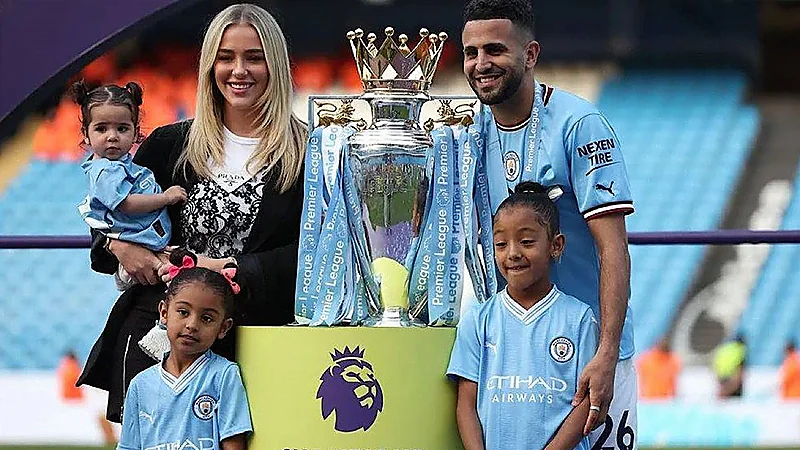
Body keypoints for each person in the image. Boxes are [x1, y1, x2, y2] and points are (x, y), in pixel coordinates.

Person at [77, 3, 307, 423]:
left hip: (262, 345)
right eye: (226, 57)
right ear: (209, 66)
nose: (239, 70)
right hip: (159, 341)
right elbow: (105, 216)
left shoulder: (310, 151)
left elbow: (319, 253)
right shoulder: (168, 144)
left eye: (254, 57)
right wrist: (119, 246)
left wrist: (233, 268)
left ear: (275, 64)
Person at [461, 0, 638, 445]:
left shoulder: (580, 125)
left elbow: (613, 247)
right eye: (471, 52)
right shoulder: (466, 135)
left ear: (531, 54)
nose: (481, 64)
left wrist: (606, 352)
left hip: (587, 355)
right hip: (510, 359)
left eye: (495, 50)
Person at [447, 182, 598, 450]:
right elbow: (466, 404)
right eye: (501, 244)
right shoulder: (478, 320)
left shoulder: (579, 319)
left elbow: (586, 402)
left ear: (556, 245)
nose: (513, 253)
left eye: (526, 242)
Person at [117, 249, 252, 450]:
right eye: (183, 312)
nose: (192, 325)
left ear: (223, 327)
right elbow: (129, 446)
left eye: (207, 318)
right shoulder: (140, 384)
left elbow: (233, 444)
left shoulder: (224, 375)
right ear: (164, 313)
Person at [73, 80, 188, 291]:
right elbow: (125, 204)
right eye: (101, 128)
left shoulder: (120, 164)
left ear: (135, 132)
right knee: (175, 278)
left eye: (122, 128)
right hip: (138, 249)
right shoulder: (105, 170)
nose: (112, 136)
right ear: (86, 134)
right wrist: (166, 198)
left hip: (147, 240)